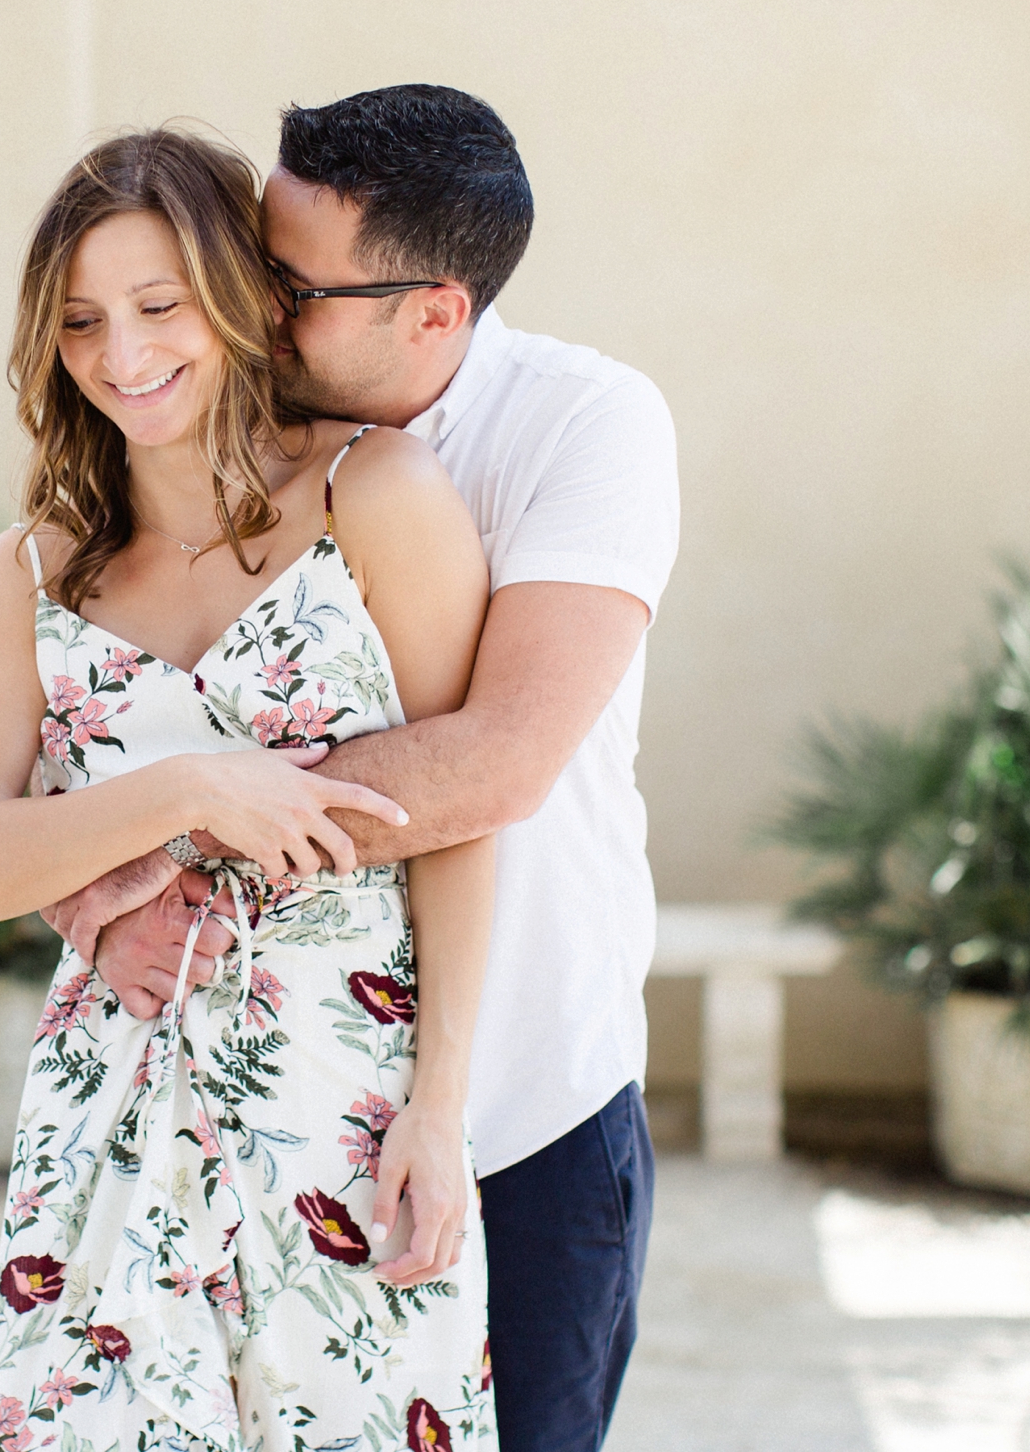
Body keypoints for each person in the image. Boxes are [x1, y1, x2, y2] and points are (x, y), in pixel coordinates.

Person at [50, 85, 681, 1452]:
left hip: (518, 1111)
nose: (251, 307)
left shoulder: (588, 427)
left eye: (292, 285)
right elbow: (94, 697)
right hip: (249, 1104)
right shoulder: (217, 417)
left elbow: (496, 762)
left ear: (434, 313)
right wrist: (77, 860)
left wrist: (165, 845)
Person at [0, 126, 502, 1451]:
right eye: (78, 322)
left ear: (235, 297)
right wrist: (185, 790)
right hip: (116, 1098)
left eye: (157, 305)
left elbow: (462, 819)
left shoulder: (379, 495)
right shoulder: (35, 571)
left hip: (343, 1102)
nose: (121, 356)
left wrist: (442, 1110)